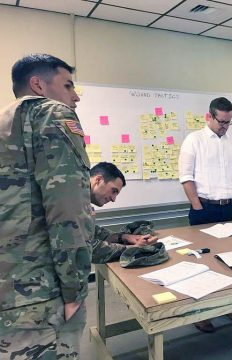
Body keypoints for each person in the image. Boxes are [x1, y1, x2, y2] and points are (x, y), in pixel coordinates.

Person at [0, 54, 93, 359]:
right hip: (41, 288)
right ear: (38, 85)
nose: (74, 96)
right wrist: (74, 290)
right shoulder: (52, 113)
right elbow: (68, 210)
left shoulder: (6, 122)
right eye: (68, 86)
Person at [179, 97, 232, 333]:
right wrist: (197, 205)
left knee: (230, 260)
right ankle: (200, 313)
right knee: (202, 264)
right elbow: (186, 177)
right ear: (209, 116)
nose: (225, 126)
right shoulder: (194, 140)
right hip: (204, 209)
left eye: (229, 122)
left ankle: (229, 306)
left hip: (230, 209)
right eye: (221, 122)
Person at [89, 161, 157, 263]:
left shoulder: (81, 200)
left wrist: (124, 237)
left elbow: (95, 233)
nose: (113, 199)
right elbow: (87, 249)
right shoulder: (71, 203)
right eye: (113, 191)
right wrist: (133, 248)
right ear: (98, 180)